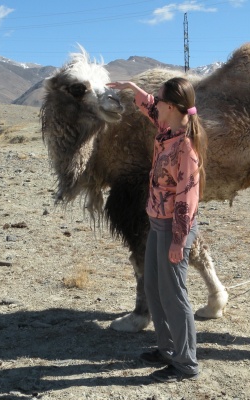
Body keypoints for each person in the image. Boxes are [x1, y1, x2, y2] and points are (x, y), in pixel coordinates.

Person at [107, 77, 207, 383]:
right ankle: (167, 350)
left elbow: (187, 200)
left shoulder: (185, 148)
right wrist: (133, 88)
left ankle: (186, 363)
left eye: (160, 100)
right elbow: (149, 108)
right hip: (156, 223)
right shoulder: (167, 132)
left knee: (174, 295)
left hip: (172, 228)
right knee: (153, 288)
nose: (155, 104)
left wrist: (178, 239)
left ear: (174, 107)